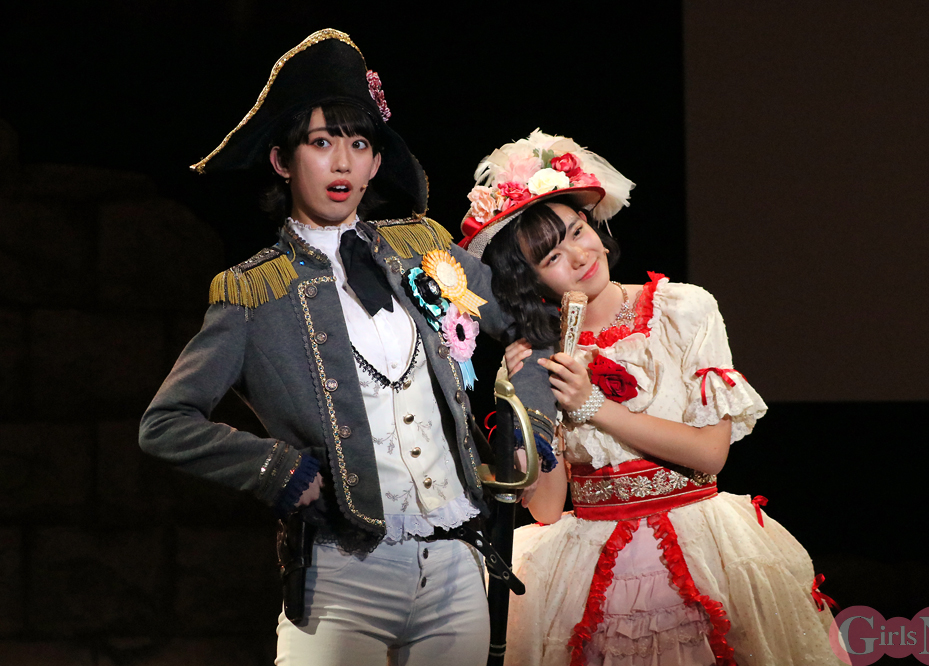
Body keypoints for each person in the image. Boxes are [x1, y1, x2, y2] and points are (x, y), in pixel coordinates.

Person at [138, 30, 556, 666]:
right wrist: (278, 469)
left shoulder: (422, 248)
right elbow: (165, 423)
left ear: (376, 163)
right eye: (321, 142)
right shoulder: (254, 292)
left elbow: (533, 324)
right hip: (343, 574)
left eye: (358, 144)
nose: (341, 163)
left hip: (456, 563)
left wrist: (529, 424)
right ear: (283, 160)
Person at [457, 130, 839, 665]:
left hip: (702, 535)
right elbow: (545, 508)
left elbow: (710, 453)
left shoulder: (682, 309)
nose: (579, 256)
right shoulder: (539, 354)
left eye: (577, 231)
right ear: (529, 280)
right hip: (590, 553)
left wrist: (592, 406)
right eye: (552, 256)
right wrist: (526, 400)